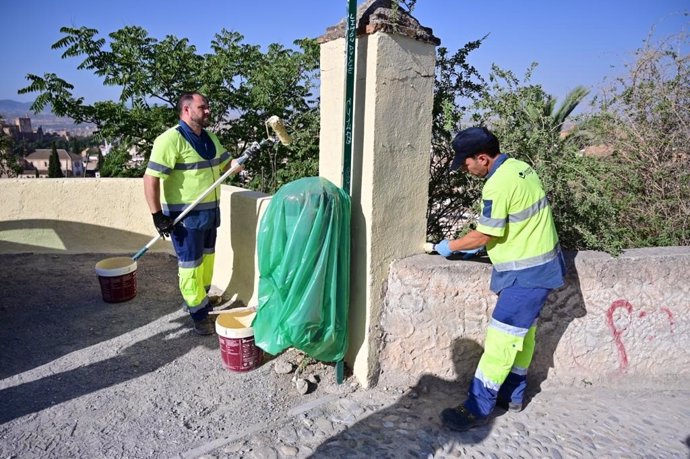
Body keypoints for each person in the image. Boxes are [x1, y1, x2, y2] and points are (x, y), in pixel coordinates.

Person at [435, 126, 566, 431]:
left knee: (500, 342)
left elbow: (483, 233)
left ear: (483, 158)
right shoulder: (521, 168)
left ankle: (476, 408)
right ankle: (513, 396)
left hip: (525, 277)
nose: (465, 169)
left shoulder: (496, 185)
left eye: (466, 163)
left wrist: (451, 246)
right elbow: (513, 225)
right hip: (542, 269)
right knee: (523, 338)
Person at [144, 92, 240, 335]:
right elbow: (151, 178)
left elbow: (226, 165)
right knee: (190, 267)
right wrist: (157, 215)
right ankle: (198, 314)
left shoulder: (210, 138)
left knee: (206, 262)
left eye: (207, 106)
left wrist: (238, 163)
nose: (208, 111)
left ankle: (203, 300)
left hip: (209, 215)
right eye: (203, 107)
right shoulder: (169, 140)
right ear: (186, 110)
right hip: (185, 219)